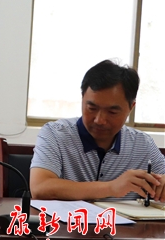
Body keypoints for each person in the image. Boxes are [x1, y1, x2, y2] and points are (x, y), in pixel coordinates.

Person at [30, 60, 165, 202]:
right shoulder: (55, 134)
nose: (99, 120)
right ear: (82, 99)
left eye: (112, 112)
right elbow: (40, 188)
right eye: (92, 108)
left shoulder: (142, 144)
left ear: (131, 108)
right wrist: (111, 187)